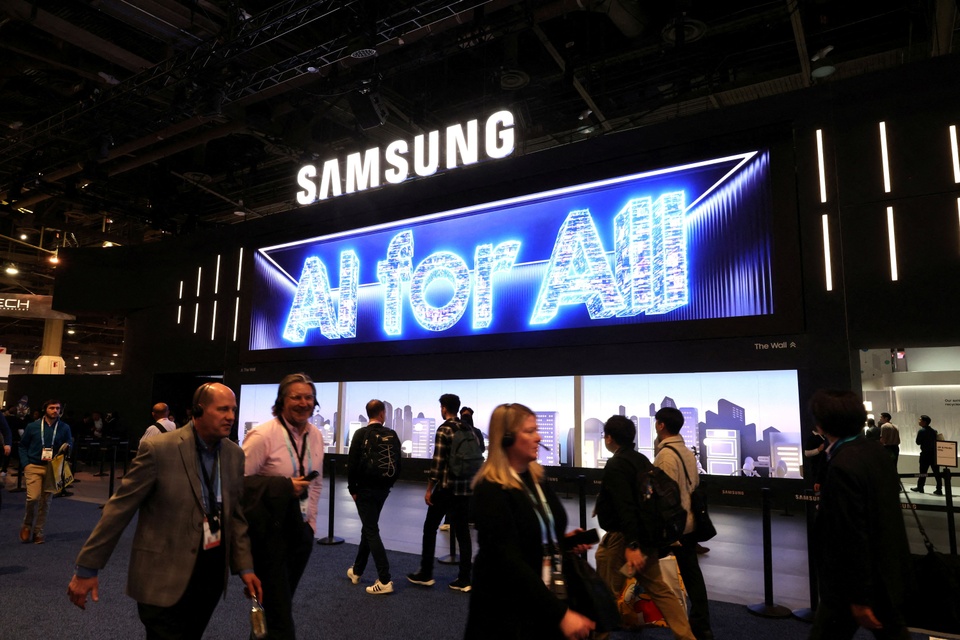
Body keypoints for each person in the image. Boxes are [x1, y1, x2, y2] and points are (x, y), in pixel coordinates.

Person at [67, 383, 263, 639]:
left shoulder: (234, 455)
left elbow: (235, 515)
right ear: (198, 410)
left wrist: (245, 567)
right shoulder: (159, 449)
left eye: (233, 410)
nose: (231, 416)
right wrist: (87, 568)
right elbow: (118, 509)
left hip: (209, 574)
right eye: (223, 409)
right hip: (162, 575)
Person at [464, 402, 596, 640]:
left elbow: (530, 538)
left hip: (540, 597)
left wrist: (562, 542)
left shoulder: (536, 479)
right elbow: (507, 560)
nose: (538, 437)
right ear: (506, 439)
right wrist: (561, 615)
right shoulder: (491, 489)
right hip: (507, 611)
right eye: (530, 431)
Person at [808, 389, 912, 640]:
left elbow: (851, 534)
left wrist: (859, 596)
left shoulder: (843, 464)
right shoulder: (875, 452)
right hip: (884, 574)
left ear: (822, 425)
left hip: (852, 584)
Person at [594, 415, 695, 640]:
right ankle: (687, 636)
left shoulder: (617, 464)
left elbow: (625, 507)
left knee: (606, 590)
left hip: (624, 541)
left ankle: (598, 635)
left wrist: (632, 546)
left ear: (609, 438)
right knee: (659, 589)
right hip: (646, 539)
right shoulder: (641, 460)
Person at [242, 372, 325, 638]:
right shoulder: (262, 435)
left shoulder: (315, 435)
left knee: (277, 605)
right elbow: (237, 483)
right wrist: (283, 486)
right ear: (281, 401)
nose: (304, 403)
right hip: (269, 536)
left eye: (309, 397)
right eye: (296, 397)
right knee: (280, 619)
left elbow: (316, 483)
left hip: (300, 534)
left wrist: (311, 525)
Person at [654, 407, 715, 640]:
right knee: (692, 575)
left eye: (657, 422)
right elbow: (694, 484)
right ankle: (701, 625)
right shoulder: (688, 452)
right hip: (688, 523)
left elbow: (663, 496)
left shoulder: (665, 456)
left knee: (643, 568)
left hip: (672, 527)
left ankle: (629, 612)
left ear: (661, 425)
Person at [407, 393, 474, 592]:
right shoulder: (468, 429)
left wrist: (429, 489)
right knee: (463, 533)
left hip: (446, 488)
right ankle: (465, 579)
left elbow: (437, 464)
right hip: (465, 489)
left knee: (430, 527)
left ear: (444, 408)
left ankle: (426, 573)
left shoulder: (444, 429)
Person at [347, 399, 401, 595]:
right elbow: (399, 464)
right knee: (368, 527)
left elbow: (352, 464)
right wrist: (388, 484)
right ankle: (357, 571)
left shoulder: (361, 434)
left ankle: (385, 579)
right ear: (382, 413)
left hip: (365, 490)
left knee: (370, 529)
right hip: (383, 489)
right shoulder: (392, 434)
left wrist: (352, 489)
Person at [18, 399, 73, 544]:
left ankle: (39, 531)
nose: (55, 411)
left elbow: (70, 443)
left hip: (53, 468)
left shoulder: (64, 427)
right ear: (45, 410)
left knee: (46, 502)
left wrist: (68, 448)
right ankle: (27, 525)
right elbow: (22, 446)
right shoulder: (33, 426)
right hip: (34, 466)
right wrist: (26, 464)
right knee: (33, 498)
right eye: (52, 408)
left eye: (57, 408)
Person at [911, 414, 942, 495]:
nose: (919, 421)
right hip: (934, 454)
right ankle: (939, 489)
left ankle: (920, 487)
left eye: (920, 420)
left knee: (923, 472)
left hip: (925, 454)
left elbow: (918, 442)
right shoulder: (934, 431)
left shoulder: (921, 431)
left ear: (924, 422)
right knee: (936, 472)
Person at [803, 425, 828, 490]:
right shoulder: (811, 438)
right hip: (816, 467)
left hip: (825, 467)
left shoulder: (825, 436)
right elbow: (807, 453)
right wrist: (818, 449)